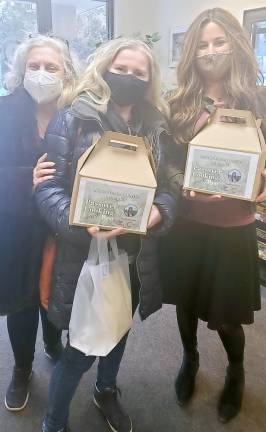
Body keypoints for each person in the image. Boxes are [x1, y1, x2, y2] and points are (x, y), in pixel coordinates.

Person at [34, 38, 181, 432]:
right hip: (86, 253)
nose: (128, 78)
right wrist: (77, 220)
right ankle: (54, 419)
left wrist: (157, 212)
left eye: (139, 73)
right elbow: (47, 188)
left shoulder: (156, 126)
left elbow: (169, 187)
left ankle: (106, 389)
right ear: (103, 69)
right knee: (81, 346)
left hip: (136, 254)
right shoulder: (75, 118)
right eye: (121, 69)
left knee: (118, 329)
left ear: (149, 80)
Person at [160, 7, 266, 423]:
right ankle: (189, 359)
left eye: (219, 41)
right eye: (202, 44)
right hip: (186, 226)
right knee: (185, 305)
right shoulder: (178, 102)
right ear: (191, 52)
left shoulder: (258, 100)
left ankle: (236, 371)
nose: (211, 51)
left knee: (226, 317)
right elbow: (165, 159)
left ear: (236, 44)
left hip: (233, 228)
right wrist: (177, 180)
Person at [0, 34, 79, 412]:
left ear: (66, 74)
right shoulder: (3, 111)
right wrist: (23, 179)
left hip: (61, 228)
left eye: (51, 67)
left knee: (53, 294)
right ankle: (21, 367)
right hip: (14, 227)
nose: (42, 74)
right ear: (21, 71)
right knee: (20, 302)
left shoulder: (78, 115)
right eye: (34, 66)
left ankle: (52, 343)